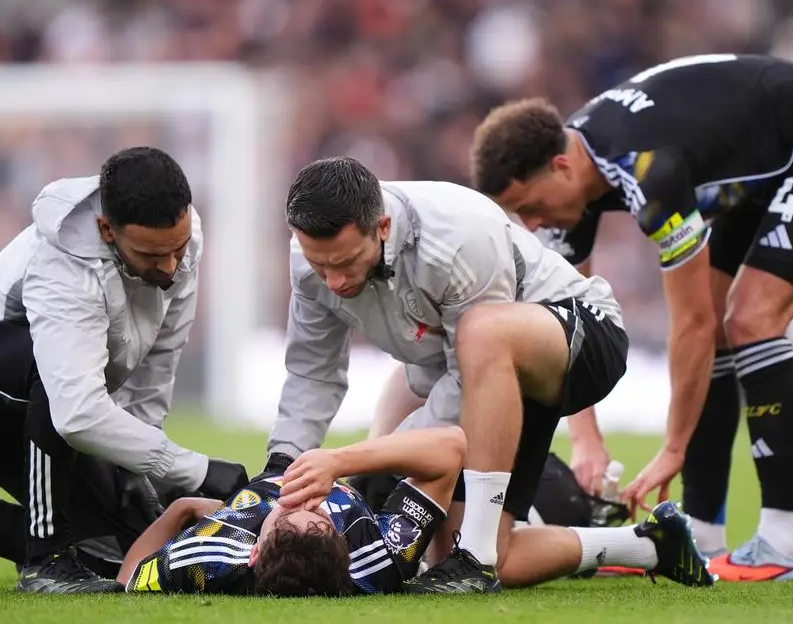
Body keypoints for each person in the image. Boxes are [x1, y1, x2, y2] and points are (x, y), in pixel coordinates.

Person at [470, 53, 793, 581]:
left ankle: (783, 541)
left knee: (748, 319)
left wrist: (673, 447)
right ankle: (702, 532)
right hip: (762, 169)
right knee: (729, 327)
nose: (533, 224)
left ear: (561, 167)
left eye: (532, 206)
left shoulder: (649, 167)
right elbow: (568, 323)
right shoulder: (577, 164)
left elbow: (693, 323)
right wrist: (585, 438)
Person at [265, 157, 711, 593]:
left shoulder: (457, 237)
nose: (334, 282)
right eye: (320, 265)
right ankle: (649, 545)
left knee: (478, 336)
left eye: (346, 263)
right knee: (462, 557)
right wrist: (279, 470)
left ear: (382, 227)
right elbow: (311, 371)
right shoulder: (312, 258)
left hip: (581, 334)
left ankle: (476, 558)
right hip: (479, 373)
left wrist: (372, 464)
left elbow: (469, 376)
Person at [0, 147, 250, 593]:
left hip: (42, 404)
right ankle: (45, 563)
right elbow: (76, 411)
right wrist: (192, 469)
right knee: (52, 365)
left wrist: (139, 470)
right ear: (106, 230)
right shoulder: (62, 265)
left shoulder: (181, 239)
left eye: (177, 250)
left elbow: (157, 365)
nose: (170, 267)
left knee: (122, 551)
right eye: (151, 255)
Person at [119, 427, 466, 596]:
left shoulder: (210, 557)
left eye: (287, 512)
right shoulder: (377, 556)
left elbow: (129, 579)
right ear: (345, 549)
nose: (301, 498)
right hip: (357, 483)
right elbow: (452, 447)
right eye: (319, 513)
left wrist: (182, 510)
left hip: (263, 479)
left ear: (253, 553)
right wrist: (337, 461)